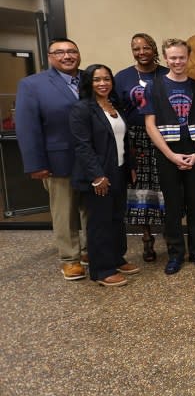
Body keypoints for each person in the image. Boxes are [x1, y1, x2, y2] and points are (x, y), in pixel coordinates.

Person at [16, 37, 89, 280]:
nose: (67, 56)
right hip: (58, 160)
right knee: (64, 211)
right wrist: (36, 164)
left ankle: (91, 250)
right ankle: (70, 259)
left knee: (91, 209)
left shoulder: (90, 80)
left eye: (72, 51)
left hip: (92, 160)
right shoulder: (32, 85)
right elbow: (27, 128)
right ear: (50, 57)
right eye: (60, 52)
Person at [142, 38, 195, 275]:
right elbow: (150, 125)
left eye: (181, 57)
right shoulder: (154, 86)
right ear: (165, 58)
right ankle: (175, 253)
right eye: (173, 57)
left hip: (194, 153)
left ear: (187, 57)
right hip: (167, 155)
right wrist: (171, 156)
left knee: (194, 204)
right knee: (172, 206)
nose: (177, 61)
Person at [70, 64, 140, 286]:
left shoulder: (114, 105)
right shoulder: (81, 109)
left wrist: (130, 166)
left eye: (106, 79)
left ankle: (117, 258)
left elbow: (123, 139)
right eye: (97, 79)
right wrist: (97, 176)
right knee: (100, 222)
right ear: (89, 83)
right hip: (99, 174)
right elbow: (82, 146)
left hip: (118, 170)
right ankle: (102, 270)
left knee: (117, 218)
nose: (102, 83)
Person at [114, 33, 167, 262]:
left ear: (154, 49)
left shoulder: (166, 74)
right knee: (140, 190)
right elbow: (116, 110)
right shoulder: (123, 77)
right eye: (136, 49)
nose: (141, 52)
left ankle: (172, 236)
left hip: (164, 137)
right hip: (135, 140)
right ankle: (147, 239)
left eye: (146, 48)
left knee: (167, 187)